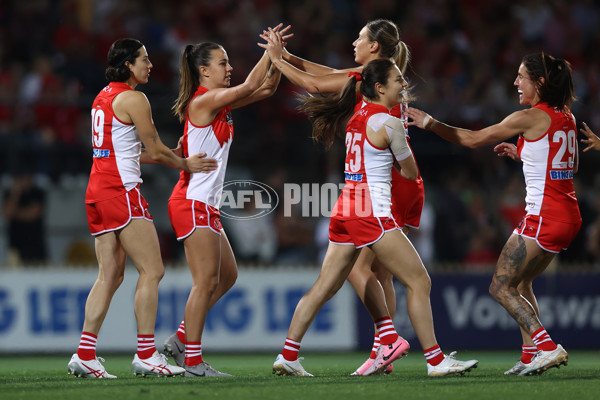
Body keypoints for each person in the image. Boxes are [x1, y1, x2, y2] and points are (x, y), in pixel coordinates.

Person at [262, 55, 478, 377]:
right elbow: (409, 171)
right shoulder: (389, 123)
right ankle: (435, 360)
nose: (404, 84)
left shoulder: (355, 117)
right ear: (379, 87)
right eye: (397, 80)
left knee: (324, 285)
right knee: (419, 281)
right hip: (372, 210)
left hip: (346, 206)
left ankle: (288, 355)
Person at [260, 19, 425, 376]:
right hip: (391, 181)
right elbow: (327, 73)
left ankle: (392, 343)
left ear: (374, 47)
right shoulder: (377, 76)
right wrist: (286, 55)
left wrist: (277, 59)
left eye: (361, 38)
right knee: (377, 271)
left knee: (363, 269)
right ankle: (384, 345)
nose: (354, 42)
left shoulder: (374, 79)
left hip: (384, 186)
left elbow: (316, 83)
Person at [406, 52, 580, 376]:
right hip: (567, 216)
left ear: (539, 82)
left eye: (521, 77)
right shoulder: (565, 116)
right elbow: (569, 165)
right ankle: (531, 356)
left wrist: (431, 124)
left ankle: (547, 346)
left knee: (499, 287)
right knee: (523, 283)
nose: (516, 82)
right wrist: (525, 157)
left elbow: (472, 140)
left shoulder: (529, 117)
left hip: (544, 216)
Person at [67, 38, 217, 379]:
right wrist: (184, 162)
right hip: (121, 191)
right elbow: (156, 149)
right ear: (127, 65)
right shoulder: (135, 98)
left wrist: (172, 156)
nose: (150, 65)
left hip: (97, 190)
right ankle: (147, 354)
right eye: (143, 60)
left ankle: (85, 353)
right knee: (153, 271)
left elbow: (132, 153)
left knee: (110, 276)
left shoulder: (102, 97)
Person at [162, 35, 282, 377]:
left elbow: (266, 89)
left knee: (227, 275)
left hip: (205, 204)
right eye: (223, 63)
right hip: (192, 201)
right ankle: (194, 363)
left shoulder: (217, 103)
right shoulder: (204, 102)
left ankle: (182, 339)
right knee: (205, 282)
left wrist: (280, 59)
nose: (229, 68)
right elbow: (249, 85)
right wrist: (269, 54)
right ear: (204, 70)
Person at [2, 170, 47, 265]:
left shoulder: (37, 192)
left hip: (35, 244)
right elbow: (7, 214)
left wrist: (15, 213)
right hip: (16, 245)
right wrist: (15, 195)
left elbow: (32, 214)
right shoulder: (9, 193)